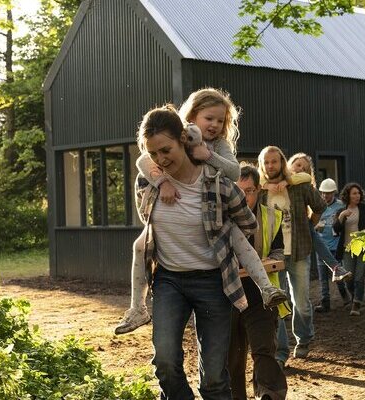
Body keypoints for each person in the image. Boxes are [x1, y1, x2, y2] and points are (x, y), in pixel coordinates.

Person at [116, 88, 287, 335]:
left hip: (215, 209)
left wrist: (208, 155)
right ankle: (137, 307)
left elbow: (234, 172)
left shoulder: (219, 145)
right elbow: (143, 160)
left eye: (220, 120)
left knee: (238, 239)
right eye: (209, 118)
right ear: (192, 116)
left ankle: (266, 287)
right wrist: (161, 182)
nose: (215, 125)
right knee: (140, 246)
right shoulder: (179, 137)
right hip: (177, 214)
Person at [135, 105, 255, 398]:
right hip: (169, 280)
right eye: (153, 154)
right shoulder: (148, 183)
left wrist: (225, 233)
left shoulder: (216, 182)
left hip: (213, 281)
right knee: (164, 362)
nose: (161, 159)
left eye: (166, 150)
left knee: (214, 377)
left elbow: (248, 223)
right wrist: (162, 179)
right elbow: (147, 221)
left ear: (182, 139)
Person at [257, 146, 326, 364]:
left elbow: (320, 205)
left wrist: (309, 225)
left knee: (301, 302)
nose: (270, 166)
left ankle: (304, 339)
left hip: (299, 251)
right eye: (266, 162)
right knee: (278, 303)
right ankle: (280, 352)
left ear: (282, 162)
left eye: (274, 161)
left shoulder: (299, 186)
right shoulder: (260, 190)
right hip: (272, 256)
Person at [229, 163, 288, 400]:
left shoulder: (272, 217)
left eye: (249, 191)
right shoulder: (221, 217)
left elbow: (279, 253)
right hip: (228, 294)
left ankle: (269, 394)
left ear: (259, 190)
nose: (244, 197)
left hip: (261, 295)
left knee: (264, 348)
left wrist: (267, 261)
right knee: (232, 355)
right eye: (238, 191)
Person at [284, 153, 351, 285]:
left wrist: (312, 222)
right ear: (290, 164)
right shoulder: (280, 179)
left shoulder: (304, 184)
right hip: (283, 228)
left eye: (304, 169)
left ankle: (335, 268)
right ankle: (335, 267)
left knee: (311, 231)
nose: (300, 169)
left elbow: (319, 206)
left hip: (301, 227)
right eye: (298, 165)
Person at [333, 182, 365, 316]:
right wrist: (342, 216)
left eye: (358, 193)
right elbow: (336, 229)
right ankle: (354, 297)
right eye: (354, 193)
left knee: (359, 277)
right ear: (348, 195)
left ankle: (357, 303)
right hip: (347, 249)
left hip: (363, 247)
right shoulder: (341, 211)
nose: (357, 196)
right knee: (349, 278)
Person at [311, 178, 349, 312]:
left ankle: (346, 298)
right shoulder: (317, 207)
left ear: (334, 193)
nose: (325, 196)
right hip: (321, 246)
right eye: (323, 193)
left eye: (328, 193)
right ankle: (325, 302)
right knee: (322, 277)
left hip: (335, 247)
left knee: (338, 275)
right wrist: (316, 227)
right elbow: (311, 224)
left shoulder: (340, 206)